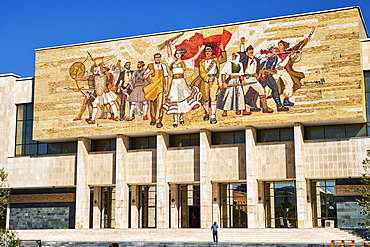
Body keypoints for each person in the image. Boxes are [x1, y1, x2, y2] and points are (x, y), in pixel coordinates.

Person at [163, 44, 203, 127]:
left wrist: (199, 51)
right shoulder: (172, 62)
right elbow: (169, 55)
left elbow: (193, 59)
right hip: (174, 83)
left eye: (179, 53)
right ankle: (175, 120)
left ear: (181, 54)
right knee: (174, 99)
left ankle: (181, 117)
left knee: (183, 99)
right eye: (176, 53)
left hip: (181, 82)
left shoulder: (184, 62)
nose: (178, 55)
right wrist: (168, 45)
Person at [238, 43, 274, 113]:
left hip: (253, 79)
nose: (251, 51)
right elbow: (242, 53)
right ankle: (239, 109)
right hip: (246, 79)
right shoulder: (245, 59)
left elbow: (261, 58)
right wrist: (242, 44)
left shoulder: (255, 59)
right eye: (249, 50)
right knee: (242, 94)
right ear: (247, 52)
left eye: (252, 50)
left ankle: (265, 108)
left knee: (262, 91)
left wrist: (256, 73)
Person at [198, 45, 227, 124]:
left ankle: (213, 116)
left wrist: (223, 50)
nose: (207, 53)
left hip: (214, 80)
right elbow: (201, 73)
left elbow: (224, 59)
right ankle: (207, 113)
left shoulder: (215, 60)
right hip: (205, 81)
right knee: (205, 98)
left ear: (211, 52)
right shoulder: (202, 62)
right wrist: (207, 78)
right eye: (206, 52)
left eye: (209, 51)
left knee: (213, 98)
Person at [143, 53, 169, 128]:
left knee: (160, 104)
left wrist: (166, 87)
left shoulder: (163, 66)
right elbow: (144, 76)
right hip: (153, 87)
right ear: (154, 58)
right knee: (152, 104)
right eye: (156, 57)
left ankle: (158, 120)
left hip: (160, 86)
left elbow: (166, 77)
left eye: (159, 57)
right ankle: (153, 118)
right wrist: (150, 72)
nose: (157, 59)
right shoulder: (151, 66)